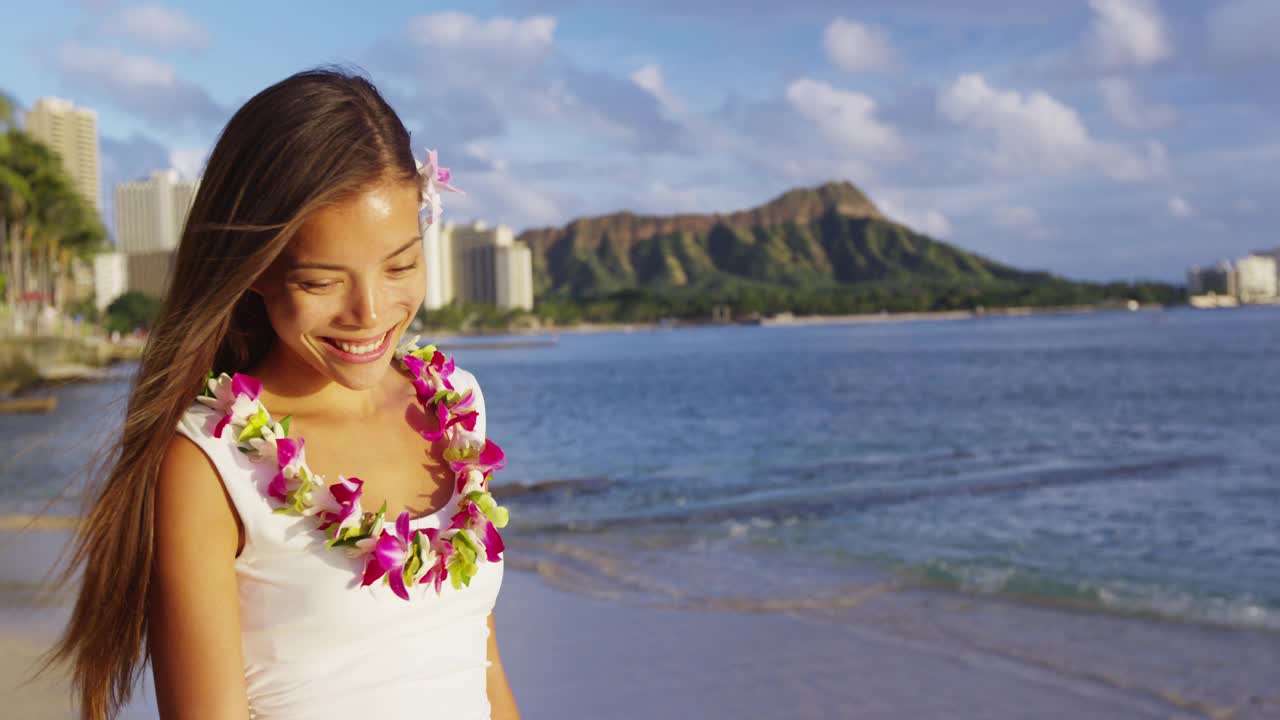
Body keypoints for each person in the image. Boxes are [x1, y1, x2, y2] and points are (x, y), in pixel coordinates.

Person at [47, 68, 520, 720]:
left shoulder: (452, 406)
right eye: (323, 282)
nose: (371, 311)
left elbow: (477, 659)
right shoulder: (210, 464)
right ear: (258, 272)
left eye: (402, 265)